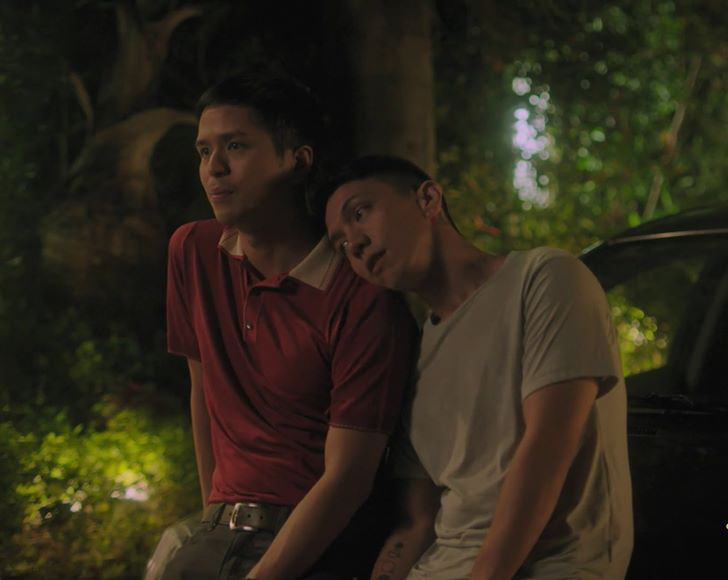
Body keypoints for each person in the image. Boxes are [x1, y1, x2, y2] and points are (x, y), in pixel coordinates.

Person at [321, 155, 633, 579]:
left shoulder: (544, 278)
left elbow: (550, 444)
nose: (354, 245)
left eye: (360, 213)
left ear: (428, 199)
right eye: (340, 244)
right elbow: (416, 522)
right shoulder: (414, 358)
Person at [157, 75, 417, 579]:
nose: (214, 168)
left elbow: (349, 478)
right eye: (204, 151)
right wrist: (212, 521)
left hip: (319, 541)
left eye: (235, 146)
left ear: (297, 161)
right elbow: (204, 393)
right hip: (221, 530)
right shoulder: (193, 251)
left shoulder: (359, 294)